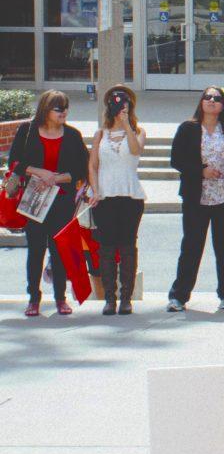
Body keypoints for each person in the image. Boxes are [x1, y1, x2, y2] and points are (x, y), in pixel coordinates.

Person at [7, 90, 88, 317]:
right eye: (58, 108)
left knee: (59, 250)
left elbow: (81, 169)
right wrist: (40, 172)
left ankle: (61, 298)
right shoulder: (28, 131)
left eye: (66, 107)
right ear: (46, 110)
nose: (64, 112)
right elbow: (14, 162)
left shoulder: (72, 135)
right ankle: (33, 299)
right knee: (35, 250)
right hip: (34, 198)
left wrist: (56, 178)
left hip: (61, 200)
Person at [167, 87, 224, 312]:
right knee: (191, 246)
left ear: (222, 105)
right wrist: (201, 171)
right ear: (201, 102)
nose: (211, 101)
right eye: (207, 97)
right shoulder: (188, 128)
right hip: (196, 198)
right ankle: (179, 296)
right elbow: (176, 160)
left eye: (216, 98)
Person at [87, 85, 147, 315]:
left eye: (125, 104)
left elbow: (135, 151)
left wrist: (126, 126)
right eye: (117, 104)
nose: (121, 108)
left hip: (130, 196)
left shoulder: (138, 131)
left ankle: (126, 299)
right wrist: (95, 190)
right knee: (107, 248)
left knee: (128, 246)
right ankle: (109, 299)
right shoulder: (100, 134)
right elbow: (92, 165)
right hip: (105, 196)